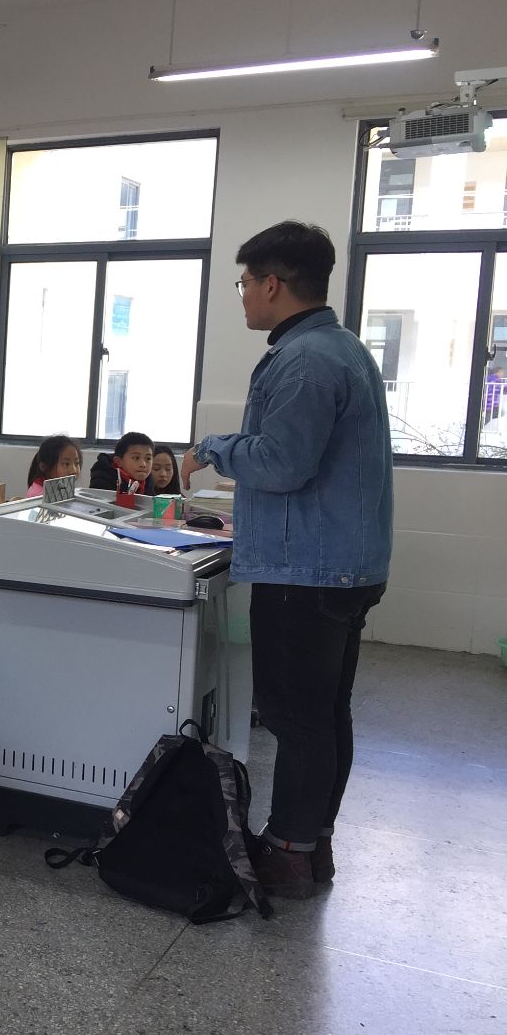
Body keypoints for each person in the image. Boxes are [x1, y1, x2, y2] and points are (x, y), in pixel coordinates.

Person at [182, 220, 393, 900]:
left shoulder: (304, 360)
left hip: (305, 572)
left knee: (296, 719)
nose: (243, 294)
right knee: (325, 715)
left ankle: (290, 854)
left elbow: (282, 463)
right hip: (341, 564)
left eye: (244, 282)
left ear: (272, 283)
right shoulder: (341, 348)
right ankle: (311, 845)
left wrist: (214, 447)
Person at [88, 431, 154, 496]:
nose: (143, 464)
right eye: (136, 458)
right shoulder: (102, 482)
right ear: (119, 462)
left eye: (148, 458)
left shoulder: (148, 480)